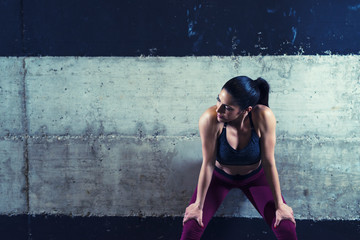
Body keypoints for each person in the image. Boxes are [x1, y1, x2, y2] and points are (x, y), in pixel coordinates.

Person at [181, 76, 297, 240]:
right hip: (219, 178)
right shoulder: (209, 119)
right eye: (218, 101)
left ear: (246, 110)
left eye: (227, 108)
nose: (218, 110)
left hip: (255, 179)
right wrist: (198, 205)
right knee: (191, 227)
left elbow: (269, 162)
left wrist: (280, 205)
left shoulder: (263, 116)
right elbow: (208, 163)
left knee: (286, 227)